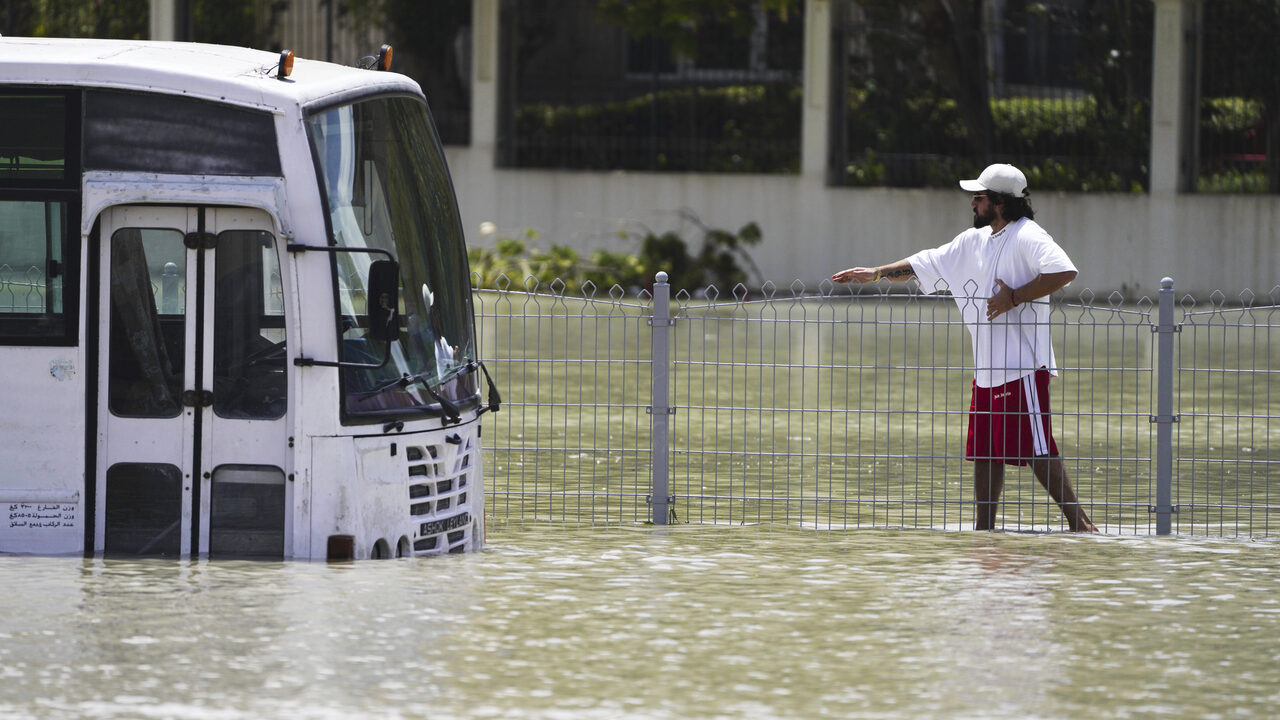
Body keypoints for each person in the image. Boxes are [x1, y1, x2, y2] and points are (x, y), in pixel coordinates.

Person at [832, 163, 1098, 533]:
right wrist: (876, 272)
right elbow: (926, 262)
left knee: (1037, 449)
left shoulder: (1027, 234)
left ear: (1000, 202)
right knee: (985, 453)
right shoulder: (973, 241)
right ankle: (984, 534)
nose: (972, 203)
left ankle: (1082, 527)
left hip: (1022, 367)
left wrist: (1014, 297)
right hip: (986, 372)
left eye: (979, 197)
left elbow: (1064, 271)